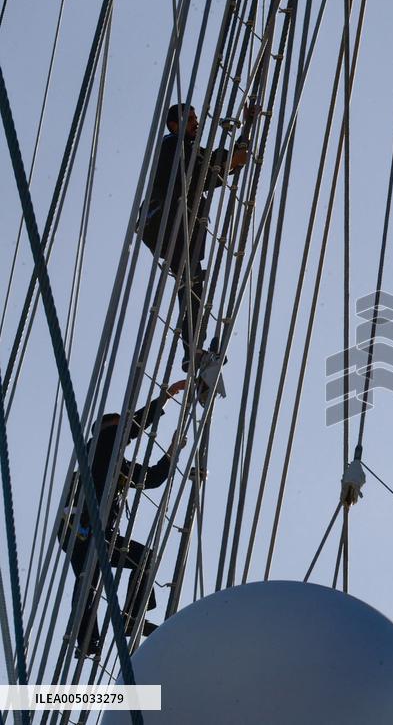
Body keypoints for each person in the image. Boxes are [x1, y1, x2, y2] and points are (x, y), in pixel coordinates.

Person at [59, 380, 187, 657]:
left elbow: (151, 478)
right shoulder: (98, 448)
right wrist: (163, 399)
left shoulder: (117, 465)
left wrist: (172, 452)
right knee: (91, 578)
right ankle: (118, 624)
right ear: (107, 429)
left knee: (94, 578)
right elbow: (130, 428)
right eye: (117, 427)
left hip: (87, 531)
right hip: (84, 527)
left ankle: (104, 632)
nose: (122, 432)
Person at [138, 102, 258, 372]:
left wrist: (247, 128)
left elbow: (220, 167)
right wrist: (232, 159)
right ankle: (193, 351)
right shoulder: (174, 146)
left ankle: (193, 351)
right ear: (173, 125)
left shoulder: (188, 150)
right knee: (190, 282)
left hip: (170, 225)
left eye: (196, 117)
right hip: (166, 223)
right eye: (190, 118)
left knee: (192, 283)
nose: (197, 122)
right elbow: (212, 168)